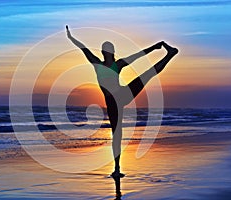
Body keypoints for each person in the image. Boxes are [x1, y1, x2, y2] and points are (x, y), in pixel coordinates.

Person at [66, 25, 178, 178]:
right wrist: (71, 37)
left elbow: (138, 55)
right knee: (116, 135)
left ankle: (170, 54)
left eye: (107, 50)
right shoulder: (101, 64)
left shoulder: (115, 64)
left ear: (110, 52)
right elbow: (84, 49)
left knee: (147, 74)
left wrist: (154, 47)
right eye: (105, 50)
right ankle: (117, 168)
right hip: (115, 101)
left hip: (120, 96)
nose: (106, 53)